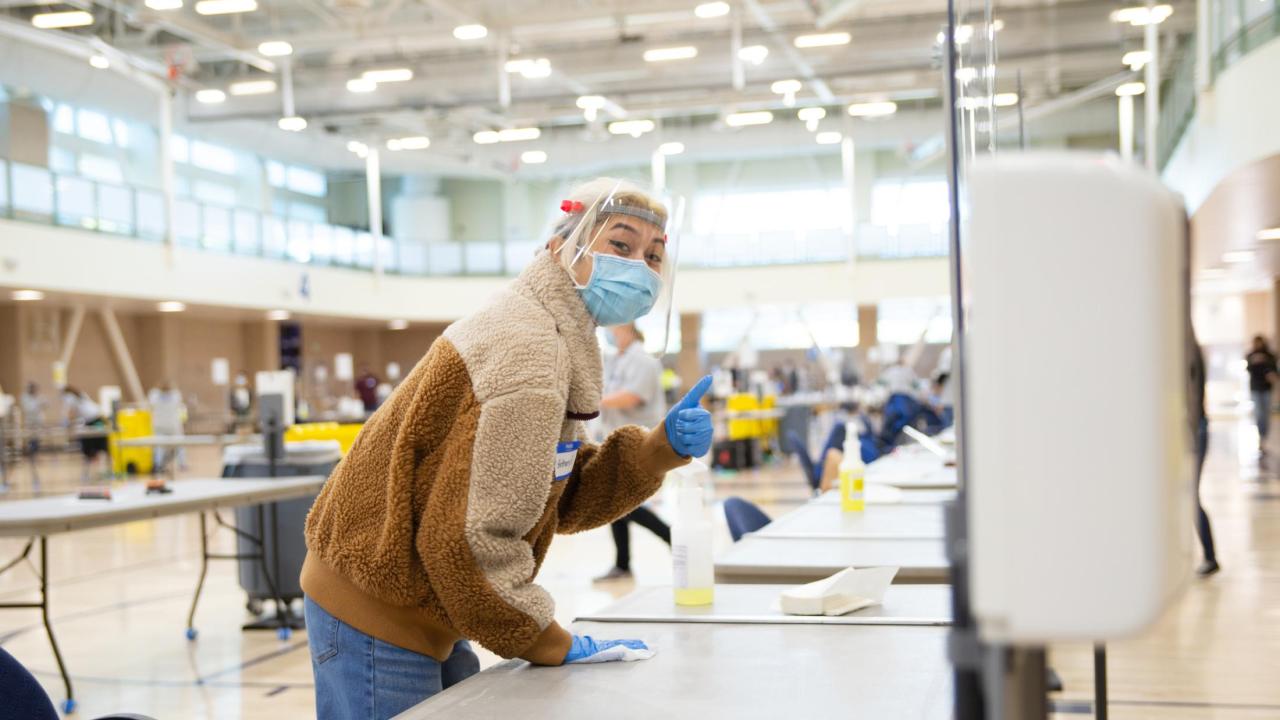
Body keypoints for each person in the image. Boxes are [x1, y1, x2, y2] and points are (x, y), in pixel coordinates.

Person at [299, 178, 714, 719]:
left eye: (653, 255)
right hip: (377, 605)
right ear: (559, 246)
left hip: (421, 598)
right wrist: (545, 639)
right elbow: (471, 536)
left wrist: (655, 451)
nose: (639, 266)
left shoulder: (555, 331)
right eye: (620, 244)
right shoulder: (530, 350)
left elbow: (552, 495)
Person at [593, 323, 672, 582]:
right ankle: (623, 563)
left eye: (614, 329)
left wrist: (594, 401)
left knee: (622, 502)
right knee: (616, 503)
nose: (611, 334)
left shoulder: (644, 361)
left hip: (638, 440)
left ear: (627, 328)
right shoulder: (619, 359)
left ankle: (671, 537)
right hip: (616, 439)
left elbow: (631, 397)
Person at [1189, 332, 1219, 577]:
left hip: (1193, 430)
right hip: (1191, 429)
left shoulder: (1187, 351)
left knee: (1189, 497)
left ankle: (1210, 557)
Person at [62, 386, 108, 483]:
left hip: (94, 420)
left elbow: (69, 412)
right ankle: (96, 468)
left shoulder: (70, 397)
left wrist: (66, 422)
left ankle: (98, 468)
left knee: (91, 446)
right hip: (97, 417)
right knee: (95, 446)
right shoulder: (80, 394)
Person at [1245, 335, 1278, 452]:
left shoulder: (1270, 355)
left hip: (1266, 388)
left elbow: (1273, 370)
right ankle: (1260, 437)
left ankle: (1264, 436)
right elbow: (1248, 369)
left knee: (1265, 414)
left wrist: (1271, 374)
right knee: (1259, 413)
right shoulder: (1250, 355)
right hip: (1255, 388)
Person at [148, 380, 187, 474]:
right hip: (165, 426)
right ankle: (161, 465)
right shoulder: (172, 395)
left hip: (168, 426)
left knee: (163, 447)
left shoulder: (156, 396)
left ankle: (161, 464)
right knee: (162, 448)